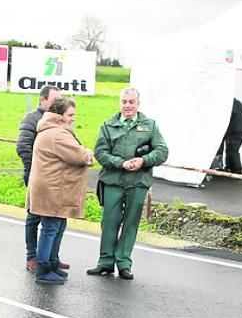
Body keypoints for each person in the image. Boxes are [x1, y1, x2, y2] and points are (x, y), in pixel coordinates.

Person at [88, 87, 169, 280]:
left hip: (138, 181)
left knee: (131, 222)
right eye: (124, 102)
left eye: (131, 102)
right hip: (113, 181)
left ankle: (124, 262)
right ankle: (105, 262)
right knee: (109, 221)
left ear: (138, 104)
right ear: (120, 103)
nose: (127, 106)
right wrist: (120, 163)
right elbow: (100, 152)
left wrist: (144, 160)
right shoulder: (108, 125)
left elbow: (162, 151)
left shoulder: (150, 125)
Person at [27, 98, 94, 284]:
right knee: (50, 228)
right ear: (59, 116)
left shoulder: (49, 130)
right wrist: (88, 152)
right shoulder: (58, 134)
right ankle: (44, 268)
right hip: (54, 188)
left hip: (51, 186)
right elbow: (80, 156)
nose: (73, 119)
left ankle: (52, 263)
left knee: (57, 225)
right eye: (70, 115)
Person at [16, 85, 64, 272]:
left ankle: (52, 256)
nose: (58, 104)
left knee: (56, 217)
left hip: (55, 178)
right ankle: (32, 256)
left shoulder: (58, 121)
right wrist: (37, 170)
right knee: (35, 216)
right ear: (43, 100)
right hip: (37, 176)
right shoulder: (32, 119)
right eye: (54, 101)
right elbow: (23, 147)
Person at [218, 99, 242, 173]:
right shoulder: (237, 103)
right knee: (231, 150)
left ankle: (236, 171)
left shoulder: (230, 103)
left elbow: (229, 116)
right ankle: (230, 168)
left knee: (232, 150)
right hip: (241, 130)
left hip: (236, 131)